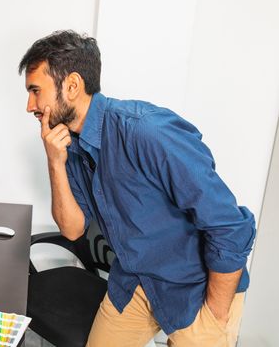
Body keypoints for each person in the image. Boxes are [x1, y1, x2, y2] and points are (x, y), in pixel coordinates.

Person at [18, 30, 255, 347]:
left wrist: (215, 315)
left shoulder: (147, 131)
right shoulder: (68, 147)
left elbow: (229, 226)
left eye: (36, 91)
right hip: (134, 282)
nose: (29, 105)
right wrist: (55, 163)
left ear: (72, 86)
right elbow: (72, 229)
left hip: (197, 287)